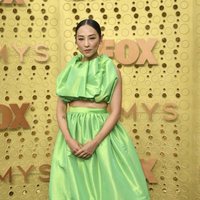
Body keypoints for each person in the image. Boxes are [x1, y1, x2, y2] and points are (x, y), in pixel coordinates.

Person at [49, 19, 150, 200]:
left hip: (103, 135)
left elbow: (116, 112)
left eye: (91, 38)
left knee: (111, 188)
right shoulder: (68, 70)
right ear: (75, 41)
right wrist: (69, 140)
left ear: (100, 40)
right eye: (81, 39)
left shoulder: (111, 69)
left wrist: (94, 143)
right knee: (72, 188)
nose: (86, 44)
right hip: (72, 134)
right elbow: (61, 111)